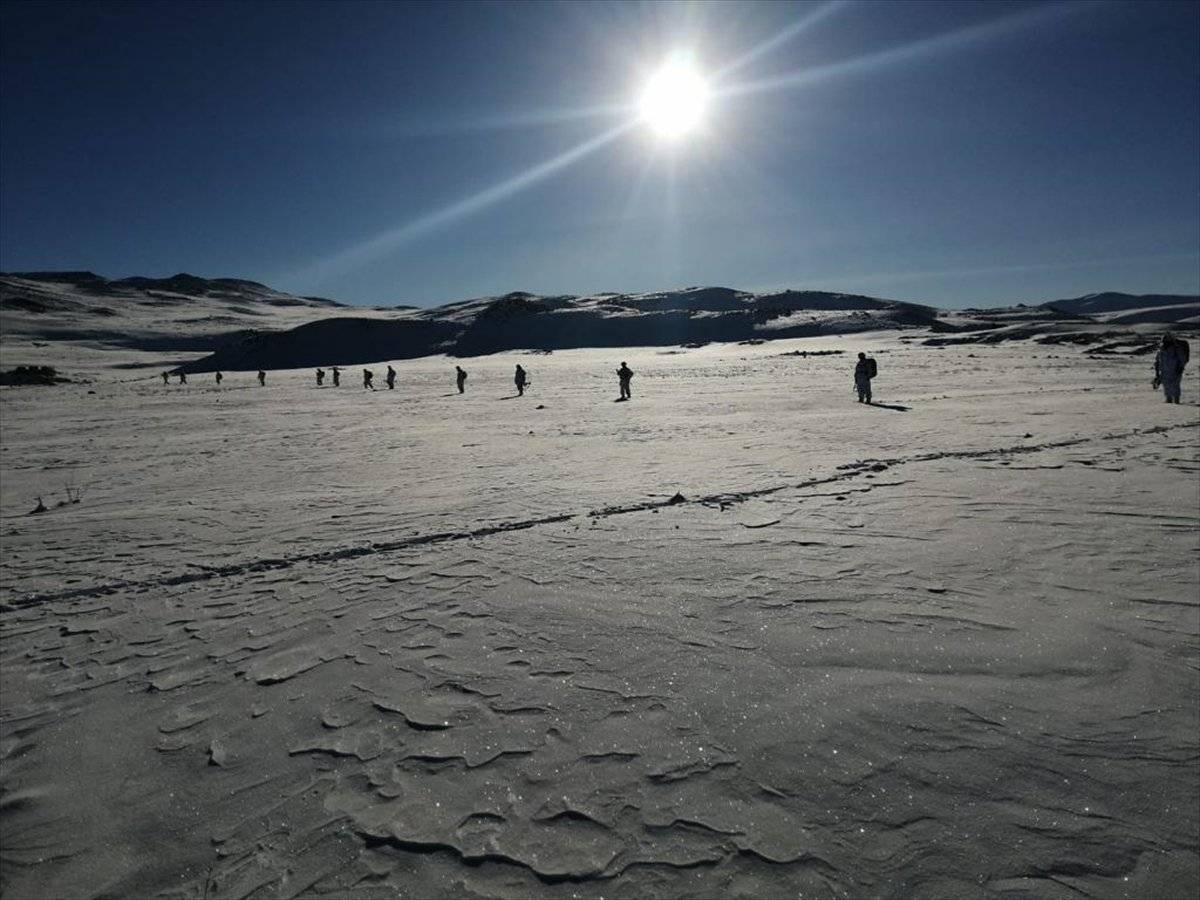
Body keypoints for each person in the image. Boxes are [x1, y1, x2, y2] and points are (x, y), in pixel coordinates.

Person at [1153, 333, 1190, 404]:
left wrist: (1180, 367)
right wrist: (1157, 371)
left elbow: (1182, 359)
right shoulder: (1161, 350)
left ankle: (1176, 400)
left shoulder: (1176, 349)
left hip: (1175, 370)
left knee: (1175, 385)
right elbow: (1157, 360)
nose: (1164, 343)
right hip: (1164, 371)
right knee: (1166, 386)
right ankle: (1168, 399)